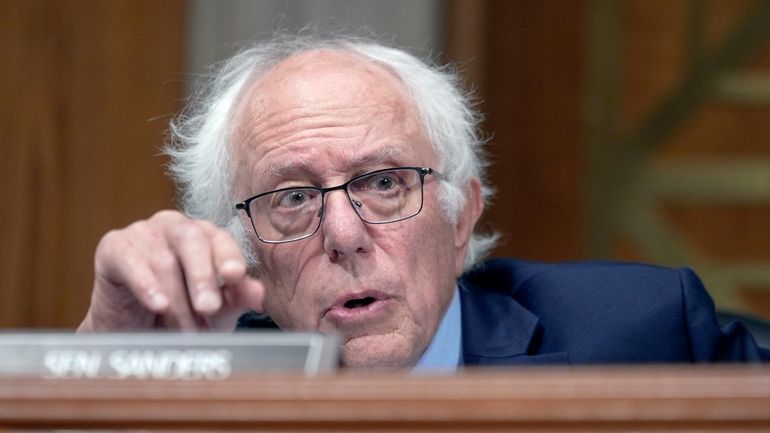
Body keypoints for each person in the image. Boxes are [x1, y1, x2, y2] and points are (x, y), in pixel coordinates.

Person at [78, 34, 770, 368]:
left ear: (462, 213)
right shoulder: (198, 376)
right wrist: (106, 360)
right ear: (245, 249)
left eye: (384, 183)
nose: (344, 233)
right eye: (293, 196)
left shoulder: (645, 331)